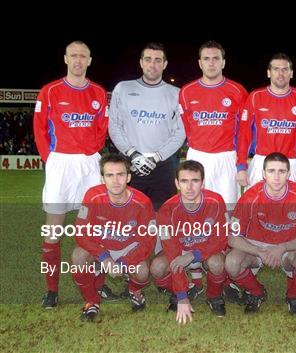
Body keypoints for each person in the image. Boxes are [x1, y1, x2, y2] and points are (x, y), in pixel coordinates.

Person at [33, 40, 109, 308]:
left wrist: (91, 151)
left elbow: (102, 128)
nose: (78, 60)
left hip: (89, 164)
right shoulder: (50, 91)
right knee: (53, 229)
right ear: (65, 59)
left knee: (95, 228)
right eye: (73, 56)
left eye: (83, 56)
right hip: (60, 163)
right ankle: (51, 291)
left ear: (90, 60)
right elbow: (40, 128)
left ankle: (99, 285)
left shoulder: (99, 93)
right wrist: (50, 158)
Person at [178, 41, 248, 304]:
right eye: (206, 58)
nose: (211, 63)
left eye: (216, 58)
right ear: (199, 63)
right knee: (193, 214)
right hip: (198, 156)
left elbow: (243, 134)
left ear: (223, 62)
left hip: (226, 158)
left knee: (227, 215)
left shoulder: (237, 91)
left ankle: (226, 277)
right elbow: (186, 127)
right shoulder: (186, 92)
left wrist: (241, 164)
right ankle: (196, 278)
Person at [226, 152, 296, 315]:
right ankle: (257, 293)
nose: (276, 177)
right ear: (263, 173)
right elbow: (232, 238)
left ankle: (293, 295)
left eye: (281, 171)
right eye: (271, 171)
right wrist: (260, 251)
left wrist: (282, 247)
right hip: (256, 246)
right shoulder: (250, 197)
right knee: (232, 263)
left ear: (289, 174)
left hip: (288, 246)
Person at [71, 154, 156, 321]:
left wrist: (125, 262)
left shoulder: (143, 202)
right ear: (102, 178)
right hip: (102, 246)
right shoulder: (93, 196)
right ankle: (91, 301)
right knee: (78, 256)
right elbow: (81, 233)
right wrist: (104, 258)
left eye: (120, 174)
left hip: (129, 247)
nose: (115, 180)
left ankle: (134, 290)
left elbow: (148, 241)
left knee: (143, 271)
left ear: (129, 177)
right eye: (110, 175)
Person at [108, 42, 186, 211]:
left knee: (163, 216)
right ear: (141, 62)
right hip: (130, 163)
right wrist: (133, 154)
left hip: (163, 165)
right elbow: (114, 126)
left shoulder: (177, 93)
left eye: (158, 60)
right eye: (148, 59)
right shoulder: (123, 88)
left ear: (164, 64)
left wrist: (156, 157)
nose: (153, 64)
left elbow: (180, 132)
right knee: (129, 215)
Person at [153, 160, 229, 324]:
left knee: (217, 263)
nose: (189, 187)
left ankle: (214, 296)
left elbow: (220, 239)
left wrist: (194, 255)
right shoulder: (166, 210)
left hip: (206, 252)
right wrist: (182, 297)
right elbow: (172, 252)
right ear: (176, 183)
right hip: (180, 252)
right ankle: (183, 289)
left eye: (195, 181)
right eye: (184, 181)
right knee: (157, 268)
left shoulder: (216, 202)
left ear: (202, 182)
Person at [236, 53, 296, 189]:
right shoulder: (255, 97)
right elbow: (244, 134)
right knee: (256, 208)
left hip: (290, 162)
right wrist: (241, 166)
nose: (280, 73)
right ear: (268, 73)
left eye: (285, 69)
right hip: (261, 161)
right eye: (276, 69)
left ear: (291, 73)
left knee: (293, 209)